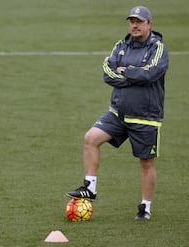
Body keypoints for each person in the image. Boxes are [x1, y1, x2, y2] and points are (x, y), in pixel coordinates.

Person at [67, 6, 168, 220]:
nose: (135, 25)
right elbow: (108, 71)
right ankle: (90, 188)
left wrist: (127, 71)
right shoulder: (121, 46)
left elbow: (151, 74)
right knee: (91, 138)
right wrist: (131, 75)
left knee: (146, 162)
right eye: (132, 21)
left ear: (149, 24)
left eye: (139, 21)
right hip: (117, 113)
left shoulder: (158, 48)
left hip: (145, 117)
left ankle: (145, 207)